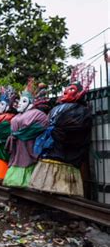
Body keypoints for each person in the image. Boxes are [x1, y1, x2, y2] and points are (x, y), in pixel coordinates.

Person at [29, 65, 94, 196]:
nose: (65, 92)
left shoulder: (81, 111)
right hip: (51, 148)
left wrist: (58, 131)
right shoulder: (56, 108)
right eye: (65, 89)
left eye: (70, 89)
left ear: (78, 93)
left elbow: (76, 129)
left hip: (65, 152)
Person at [2, 80, 49, 188]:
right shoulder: (17, 116)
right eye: (20, 101)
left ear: (31, 103)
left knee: (28, 162)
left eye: (24, 101)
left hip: (29, 146)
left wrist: (21, 133)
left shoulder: (37, 114)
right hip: (18, 146)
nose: (19, 103)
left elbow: (42, 125)